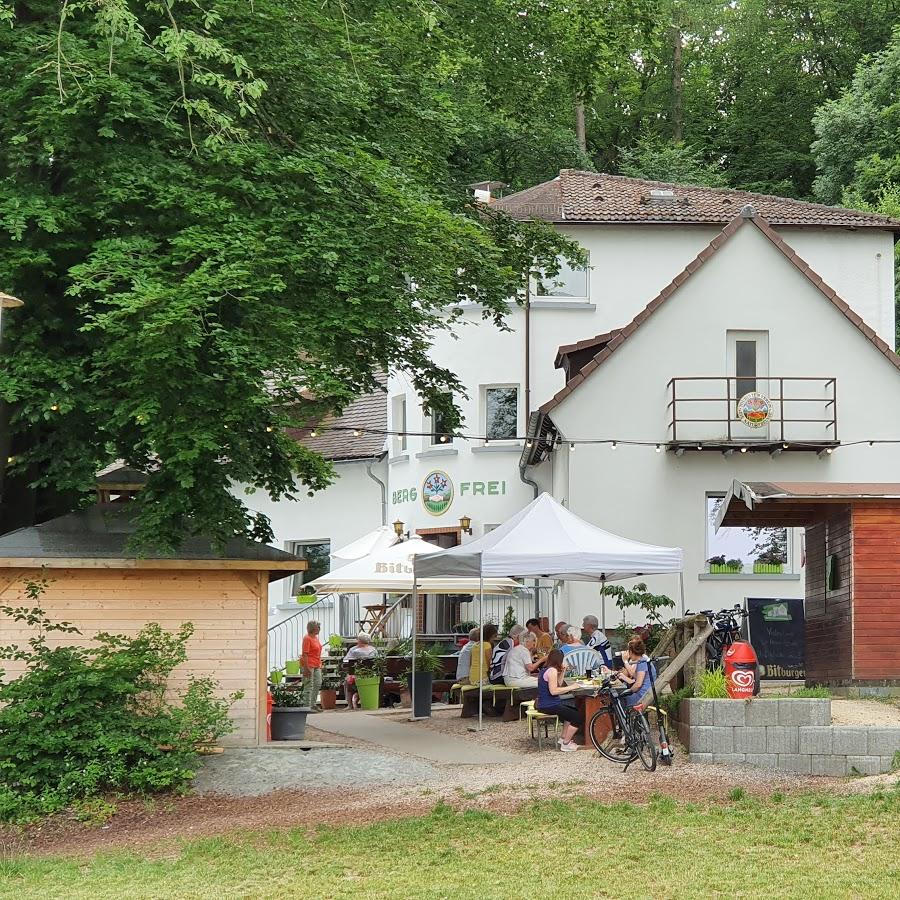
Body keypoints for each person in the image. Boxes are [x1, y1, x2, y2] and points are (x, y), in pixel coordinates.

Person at [536, 648, 583, 751]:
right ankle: (566, 744)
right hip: (549, 705)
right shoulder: (552, 671)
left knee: (572, 711)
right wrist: (571, 687)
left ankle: (563, 738)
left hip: (545, 704)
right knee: (577, 717)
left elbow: (558, 684)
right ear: (559, 660)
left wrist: (563, 671)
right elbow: (554, 691)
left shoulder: (545, 669)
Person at [616, 636, 656, 708]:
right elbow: (636, 677)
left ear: (631, 652)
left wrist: (628, 691)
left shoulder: (642, 662)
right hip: (646, 693)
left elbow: (638, 684)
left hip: (643, 695)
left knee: (619, 700)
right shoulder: (642, 659)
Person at [343, 632, 378, 710]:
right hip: (371, 676)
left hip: (356, 676)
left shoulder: (354, 650)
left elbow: (345, 661)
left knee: (346, 682)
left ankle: (350, 705)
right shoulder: (373, 650)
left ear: (359, 640)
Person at [300, 620, 323, 710]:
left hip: (316, 664)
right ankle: (307, 705)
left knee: (318, 683)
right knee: (308, 685)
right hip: (308, 664)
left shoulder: (315, 638)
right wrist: (306, 668)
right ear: (313, 628)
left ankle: (313, 704)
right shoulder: (307, 638)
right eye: (318, 627)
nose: (319, 629)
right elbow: (305, 653)